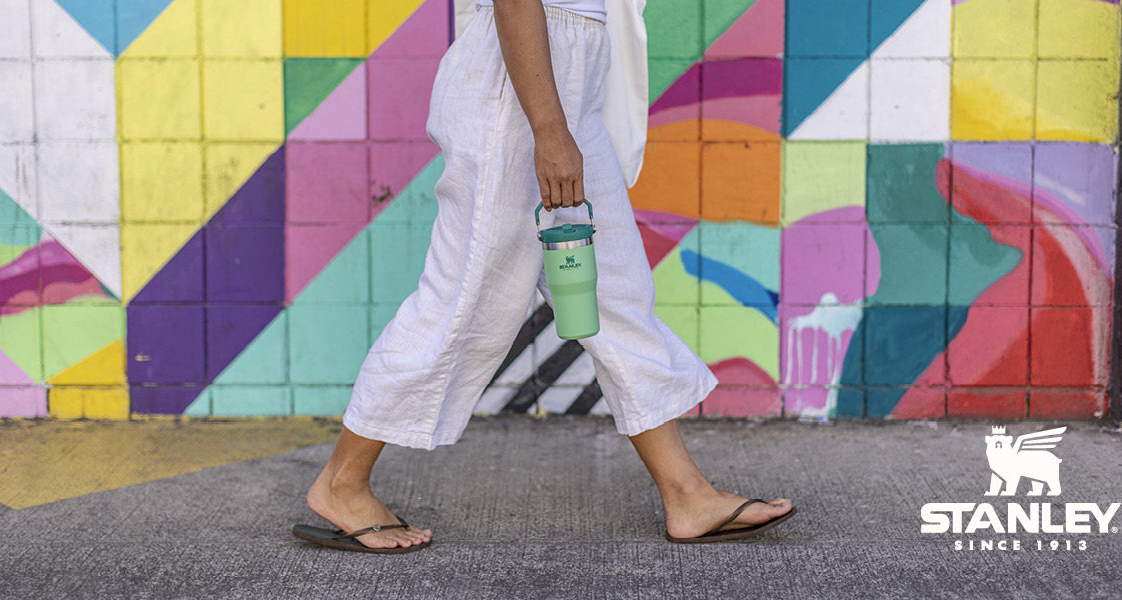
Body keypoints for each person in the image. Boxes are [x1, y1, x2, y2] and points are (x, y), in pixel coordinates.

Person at [292, 0, 794, 554]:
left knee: (613, 293)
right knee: (465, 301)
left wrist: (561, 121)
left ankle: (687, 494)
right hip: (519, 90)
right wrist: (549, 130)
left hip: (564, 84)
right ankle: (342, 482)